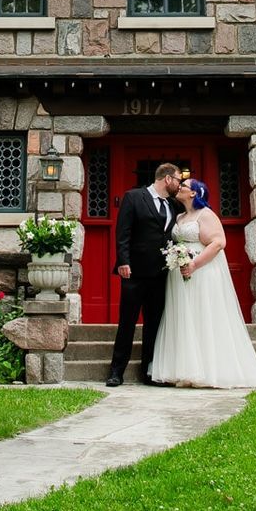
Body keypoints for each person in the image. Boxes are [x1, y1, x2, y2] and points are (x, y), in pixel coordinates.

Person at [147, 177, 256, 388]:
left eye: (184, 186)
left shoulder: (206, 214)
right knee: (184, 317)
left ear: (194, 193)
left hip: (202, 271)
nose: (180, 188)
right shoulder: (180, 216)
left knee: (203, 315)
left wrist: (194, 264)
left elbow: (219, 242)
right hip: (179, 272)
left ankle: (210, 369)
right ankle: (185, 369)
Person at [108, 162, 182, 387]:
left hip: (161, 274)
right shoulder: (133, 197)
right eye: (178, 179)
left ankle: (148, 371)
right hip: (135, 273)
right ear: (167, 178)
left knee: (154, 324)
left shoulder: (173, 205)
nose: (180, 185)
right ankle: (116, 372)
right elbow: (123, 233)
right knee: (127, 322)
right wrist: (123, 262)